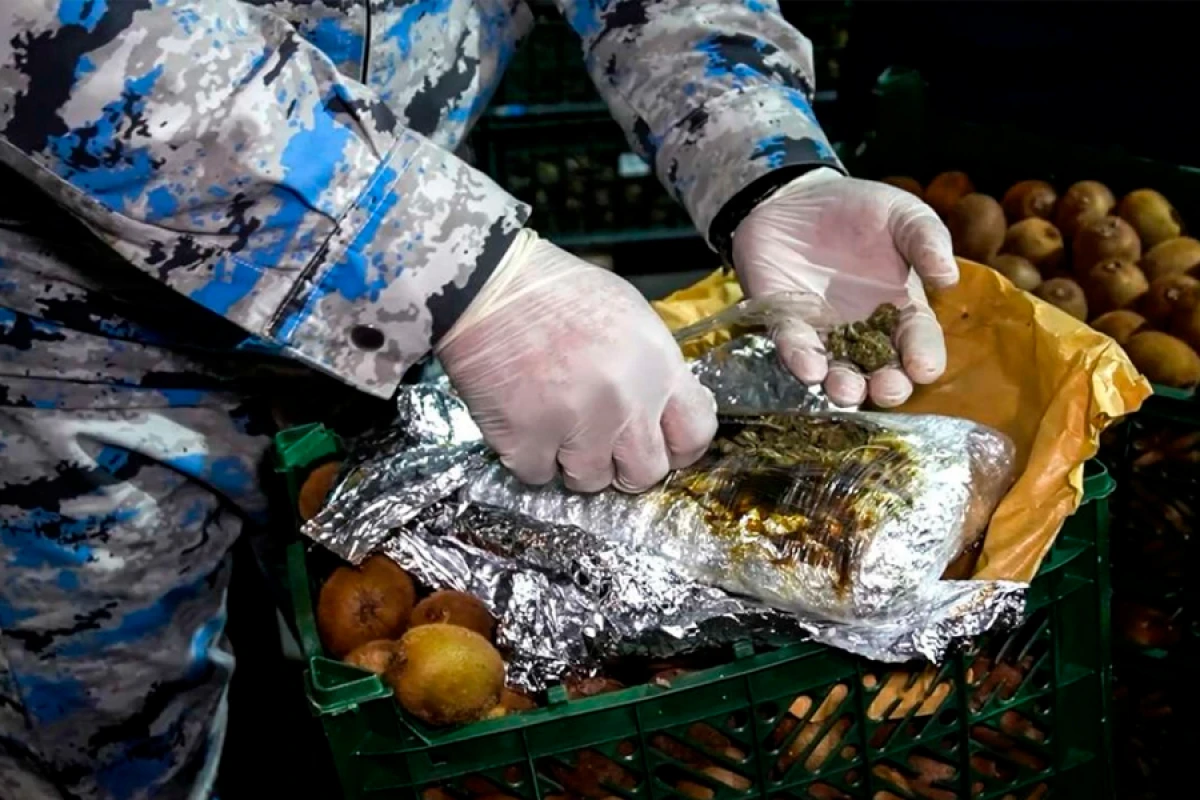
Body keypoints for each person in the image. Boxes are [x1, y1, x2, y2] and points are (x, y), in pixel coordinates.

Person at [0, 2, 956, 797]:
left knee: (426, 722)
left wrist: (764, 160)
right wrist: (457, 270)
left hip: (396, 351)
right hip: (66, 347)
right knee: (88, 751)